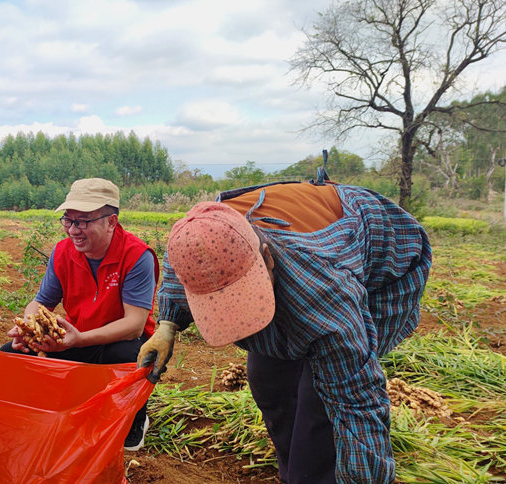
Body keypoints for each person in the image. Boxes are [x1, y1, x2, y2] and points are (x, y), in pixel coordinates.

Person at [137, 179, 431, 484]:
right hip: (304, 257)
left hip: (385, 265)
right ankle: (293, 472)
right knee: (268, 380)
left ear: (268, 257)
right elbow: (175, 269)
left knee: (320, 403)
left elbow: (357, 402)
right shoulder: (197, 238)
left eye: (244, 296)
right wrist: (167, 327)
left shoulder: (323, 295)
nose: (236, 312)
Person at [1, 178, 160, 451]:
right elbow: (40, 302)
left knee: (136, 358)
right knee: (11, 354)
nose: (74, 230)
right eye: (68, 220)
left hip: (119, 342)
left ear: (111, 221)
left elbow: (134, 325)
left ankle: (135, 418)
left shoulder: (136, 256)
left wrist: (79, 339)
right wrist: (29, 326)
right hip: (77, 335)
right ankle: (55, 405)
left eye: (83, 221)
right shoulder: (63, 252)